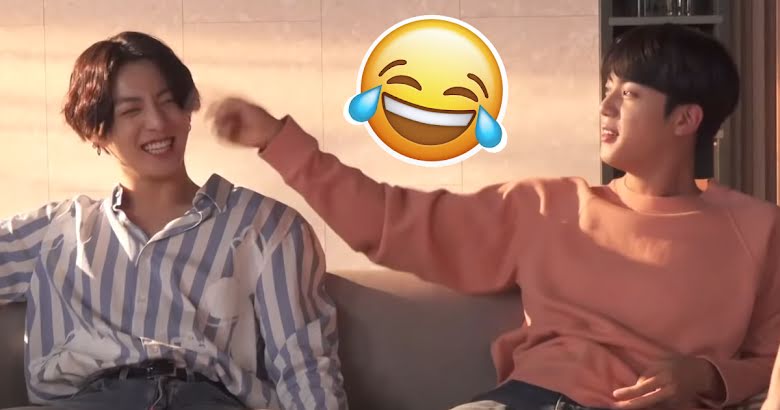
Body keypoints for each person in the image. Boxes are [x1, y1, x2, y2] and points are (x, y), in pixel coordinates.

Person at [206, 24, 780, 410]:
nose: (604, 107)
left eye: (627, 95)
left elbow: (768, 360)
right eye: (606, 90)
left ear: (685, 120)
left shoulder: (757, 229)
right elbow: (390, 221)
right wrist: (277, 141)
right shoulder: (548, 207)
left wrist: (708, 377)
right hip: (532, 400)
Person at [0, 31, 347, 410]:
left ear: (187, 112)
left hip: (207, 398)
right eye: (132, 110)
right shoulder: (56, 232)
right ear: (96, 131)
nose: (157, 122)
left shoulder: (267, 226)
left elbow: (304, 366)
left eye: (168, 102)